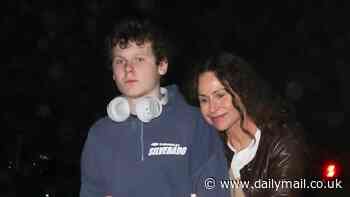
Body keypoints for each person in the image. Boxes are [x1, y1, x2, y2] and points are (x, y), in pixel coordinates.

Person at [79, 16, 230, 197]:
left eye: (139, 59)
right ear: (113, 72)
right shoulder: (99, 135)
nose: (128, 69)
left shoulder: (196, 124)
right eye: (120, 61)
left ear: (162, 65)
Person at [192, 52, 308, 197]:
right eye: (204, 100)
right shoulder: (205, 144)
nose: (212, 108)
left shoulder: (282, 143)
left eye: (220, 95)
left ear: (242, 91)